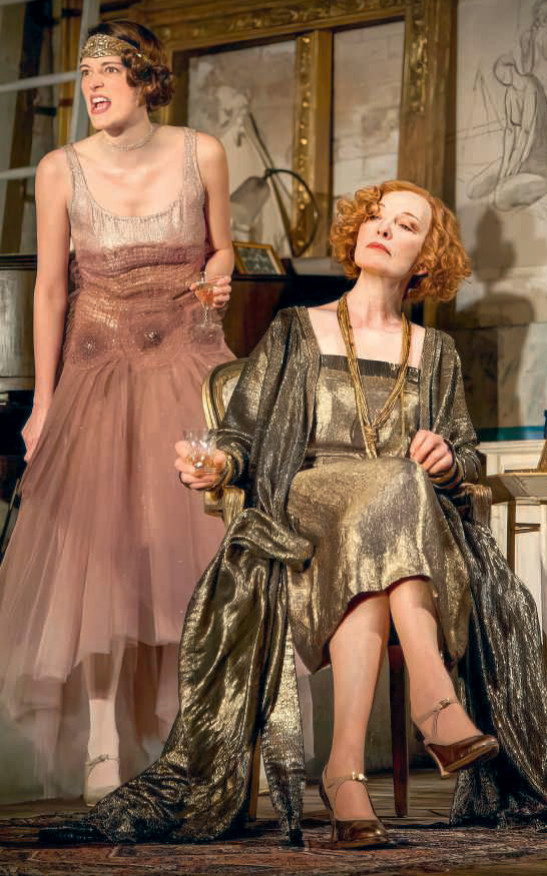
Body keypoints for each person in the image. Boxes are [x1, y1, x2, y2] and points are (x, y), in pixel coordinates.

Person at [41, 181, 547, 849]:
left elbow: (466, 455)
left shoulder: (437, 352)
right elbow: (241, 437)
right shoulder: (295, 329)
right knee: (395, 483)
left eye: (405, 225)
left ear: (427, 259)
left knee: (386, 517)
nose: (382, 228)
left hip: (390, 541)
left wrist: (449, 461)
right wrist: (216, 465)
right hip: (304, 519)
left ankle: (344, 776)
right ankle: (435, 699)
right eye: (376, 216)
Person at [0, 20, 234, 805]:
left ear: (146, 77)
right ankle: (102, 734)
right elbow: (50, 290)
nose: (92, 83)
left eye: (108, 68)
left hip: (186, 361)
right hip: (98, 367)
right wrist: (43, 403)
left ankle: (190, 731)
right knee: (99, 553)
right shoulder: (59, 168)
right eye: (85, 70)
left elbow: (224, 248)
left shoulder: (202, 152)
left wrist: (220, 274)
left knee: (187, 549)